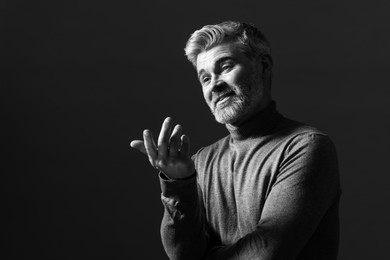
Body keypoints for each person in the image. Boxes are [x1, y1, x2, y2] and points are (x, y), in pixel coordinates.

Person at [130, 21, 341, 260]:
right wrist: (179, 185)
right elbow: (182, 254)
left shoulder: (305, 146)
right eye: (205, 78)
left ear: (263, 65)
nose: (215, 85)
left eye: (225, 67)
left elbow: (266, 253)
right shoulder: (201, 161)